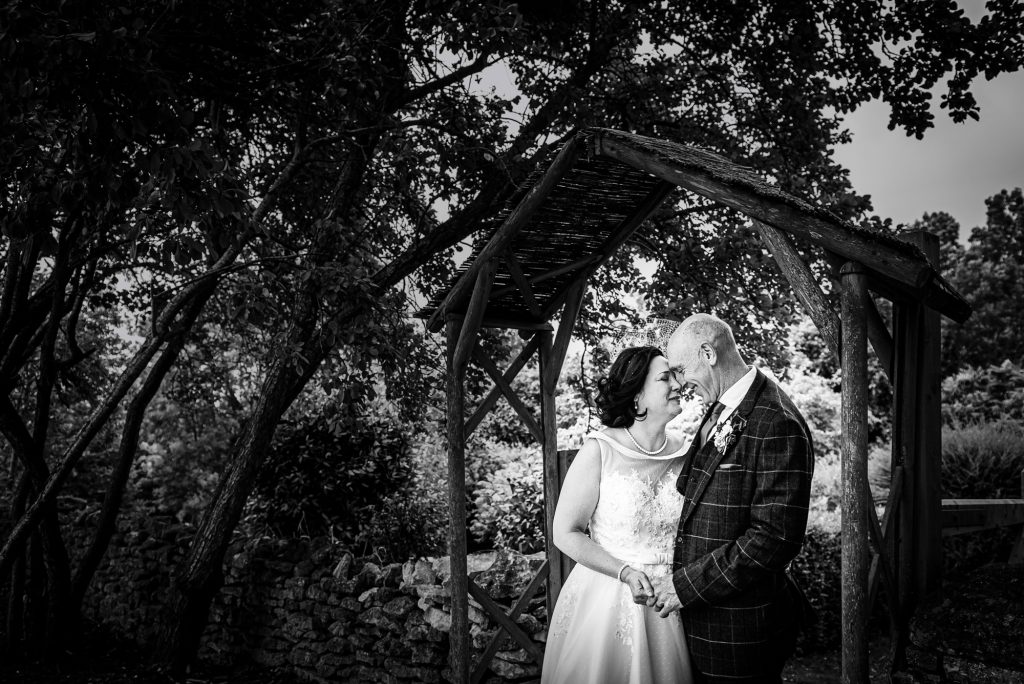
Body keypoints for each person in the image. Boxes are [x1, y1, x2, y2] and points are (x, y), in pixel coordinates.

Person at [650, 313, 815, 684]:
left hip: (739, 629)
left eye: (680, 369)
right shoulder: (719, 407)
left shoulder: (776, 421)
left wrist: (684, 585)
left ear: (708, 352)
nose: (678, 382)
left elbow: (773, 539)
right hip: (700, 621)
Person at [542, 345, 694, 684]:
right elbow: (565, 532)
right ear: (637, 396)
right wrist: (623, 572)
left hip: (675, 600)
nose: (678, 384)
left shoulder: (687, 451)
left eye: (677, 376)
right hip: (608, 596)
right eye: (665, 378)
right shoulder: (599, 450)